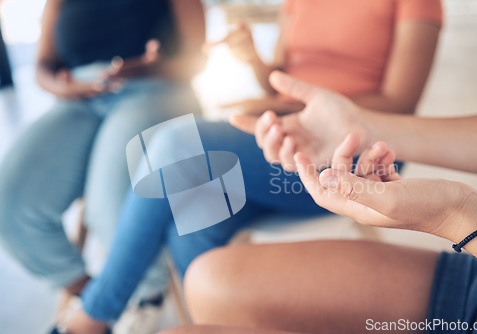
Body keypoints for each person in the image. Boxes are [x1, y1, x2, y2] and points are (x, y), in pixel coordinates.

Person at [60, 0, 443, 333]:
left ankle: (96, 313)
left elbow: (400, 103)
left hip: (356, 156)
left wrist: (298, 111)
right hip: (291, 138)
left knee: (176, 143)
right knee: (191, 217)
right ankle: (216, 325)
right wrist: (254, 60)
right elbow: (282, 86)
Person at [177, 73, 477, 334]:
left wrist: (457, 214)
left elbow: (400, 94)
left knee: (181, 148)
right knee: (208, 279)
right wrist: (362, 128)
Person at [0, 0, 205, 332]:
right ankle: (103, 297)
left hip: (155, 88)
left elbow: (197, 60)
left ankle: (143, 297)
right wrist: (61, 86)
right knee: (9, 201)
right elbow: (43, 67)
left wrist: (149, 67)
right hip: (78, 98)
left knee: (112, 202)